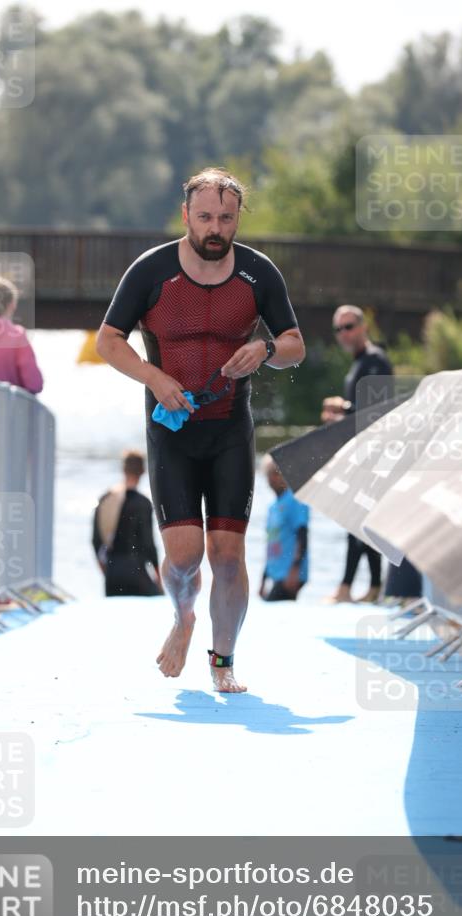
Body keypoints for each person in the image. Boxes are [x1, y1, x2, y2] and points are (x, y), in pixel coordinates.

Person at [96, 167, 306, 692]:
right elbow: (108, 340)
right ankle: (183, 615)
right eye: (206, 217)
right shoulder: (152, 271)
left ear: (238, 219)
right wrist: (153, 377)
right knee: (184, 557)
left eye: (226, 219)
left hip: (230, 429)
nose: (216, 228)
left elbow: (295, 345)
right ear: (186, 215)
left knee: (228, 559)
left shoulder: (258, 273)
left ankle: (223, 662)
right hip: (172, 433)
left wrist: (266, 348)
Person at [321, 304, 393, 604]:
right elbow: (361, 411)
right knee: (363, 519)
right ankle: (374, 586)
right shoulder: (360, 363)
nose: (344, 334)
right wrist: (343, 412)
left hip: (375, 455)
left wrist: (343, 412)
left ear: (364, 327)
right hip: (361, 453)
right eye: (338, 329)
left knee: (356, 518)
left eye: (349, 326)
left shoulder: (375, 360)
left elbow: (378, 411)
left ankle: (346, 587)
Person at [92, 450, 162, 597]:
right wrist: (159, 580)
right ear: (142, 471)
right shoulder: (143, 503)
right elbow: (149, 545)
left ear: (123, 470)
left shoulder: (105, 499)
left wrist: (107, 572)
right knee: (158, 598)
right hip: (137, 572)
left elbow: (96, 542)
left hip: (112, 574)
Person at [259, 455, 309, 602]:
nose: (274, 478)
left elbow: (302, 535)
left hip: (290, 573)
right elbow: (271, 543)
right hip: (276, 572)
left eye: (278, 473)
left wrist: (295, 569)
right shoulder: (273, 507)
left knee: (272, 606)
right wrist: (264, 579)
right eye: (270, 474)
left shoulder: (295, 500)